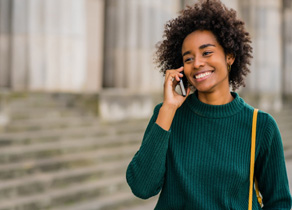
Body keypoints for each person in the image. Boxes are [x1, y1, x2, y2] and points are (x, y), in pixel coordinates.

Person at [126, 0, 292, 209]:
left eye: (207, 53)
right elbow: (142, 187)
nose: (197, 63)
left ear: (229, 56)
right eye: (188, 59)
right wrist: (168, 108)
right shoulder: (167, 115)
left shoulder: (262, 126)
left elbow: (279, 203)